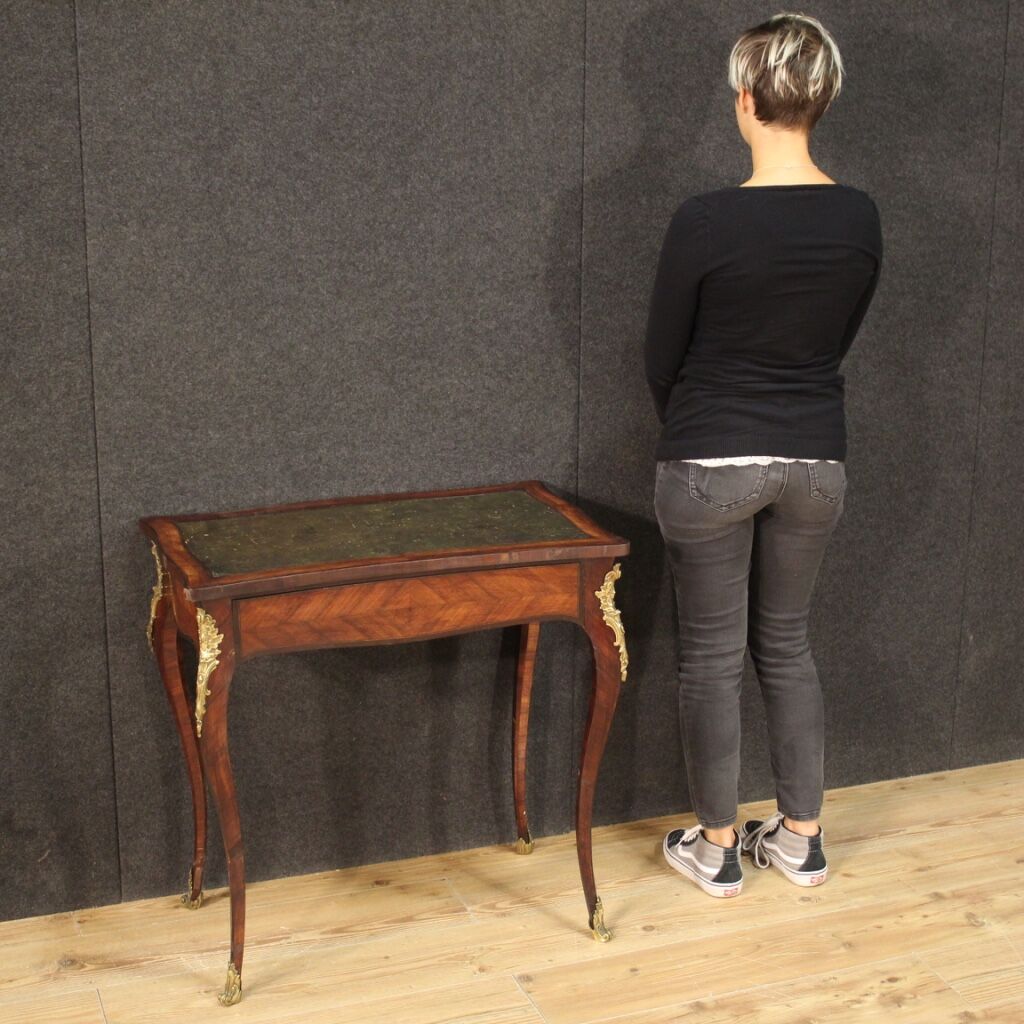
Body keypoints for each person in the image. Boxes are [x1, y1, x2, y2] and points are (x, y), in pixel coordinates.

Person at [645, 12, 883, 898]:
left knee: (711, 658)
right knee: (786, 645)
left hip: (711, 460)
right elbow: (834, 341)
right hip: (817, 462)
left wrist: (700, 431)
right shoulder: (858, 219)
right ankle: (800, 840)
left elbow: (661, 358)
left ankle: (715, 850)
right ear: (820, 100)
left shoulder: (707, 220)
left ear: (746, 101)